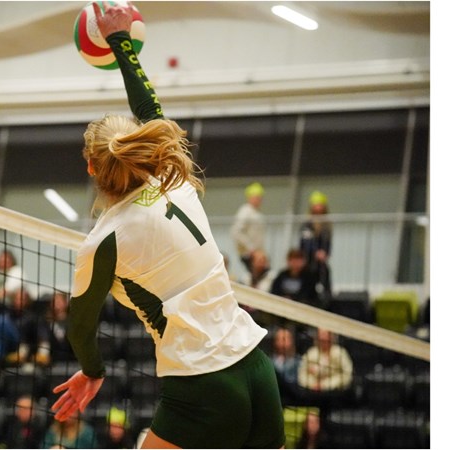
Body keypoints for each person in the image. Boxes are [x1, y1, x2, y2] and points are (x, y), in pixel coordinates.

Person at [50, 4, 284, 449]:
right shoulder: (174, 177)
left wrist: (93, 370)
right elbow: (150, 109)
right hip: (257, 368)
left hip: (202, 383)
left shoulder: (104, 240)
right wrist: (120, 40)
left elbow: (80, 327)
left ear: (91, 169)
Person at [300, 190, 333, 301]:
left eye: (320, 205)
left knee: (325, 275)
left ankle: (327, 301)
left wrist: (325, 253)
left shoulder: (326, 225)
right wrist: (315, 252)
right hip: (308, 261)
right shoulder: (307, 224)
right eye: (316, 205)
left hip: (320, 262)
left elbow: (328, 243)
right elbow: (305, 241)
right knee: (308, 281)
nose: (318, 207)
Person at [297, 328, 354, 393]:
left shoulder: (340, 352)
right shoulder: (311, 353)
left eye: (325, 335)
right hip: (311, 392)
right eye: (320, 335)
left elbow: (347, 375)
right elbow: (302, 374)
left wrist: (324, 385)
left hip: (336, 393)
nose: (323, 338)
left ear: (331, 337)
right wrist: (313, 385)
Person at [230, 182, 267, 272]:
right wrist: (252, 249)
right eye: (256, 197)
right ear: (249, 197)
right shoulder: (245, 211)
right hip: (249, 254)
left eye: (260, 197)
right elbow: (236, 232)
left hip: (258, 254)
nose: (258, 200)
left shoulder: (257, 213)